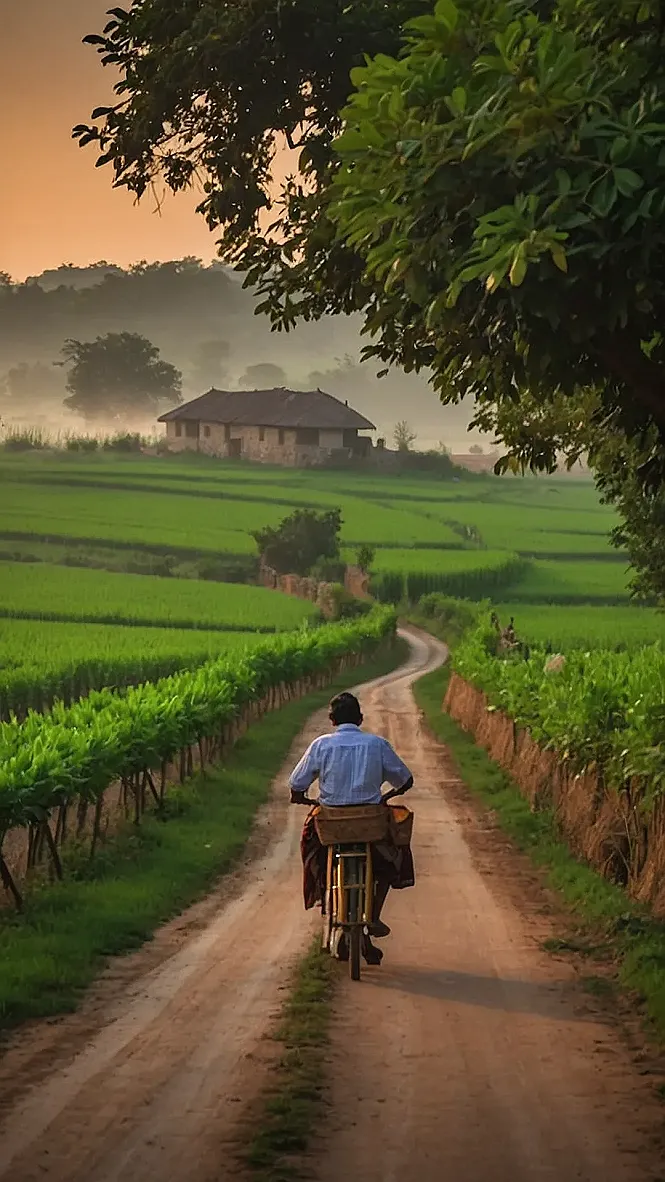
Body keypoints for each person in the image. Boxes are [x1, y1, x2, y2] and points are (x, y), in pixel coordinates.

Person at [289, 691, 415, 964]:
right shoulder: (377, 744)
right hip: (370, 823)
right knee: (394, 854)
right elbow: (405, 779)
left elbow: (297, 782)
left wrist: (301, 797)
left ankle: (325, 897)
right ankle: (375, 914)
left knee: (312, 848)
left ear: (332, 720)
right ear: (360, 719)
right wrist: (386, 797)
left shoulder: (321, 745)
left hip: (332, 824)